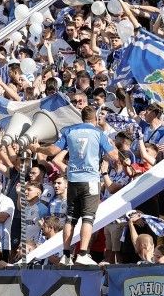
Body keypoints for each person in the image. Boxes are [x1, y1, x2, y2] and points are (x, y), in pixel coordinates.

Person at [40, 105, 119, 265]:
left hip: (73, 180)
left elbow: (53, 150)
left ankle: (66, 254)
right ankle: (82, 254)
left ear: (81, 118)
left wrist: (37, 147)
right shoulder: (99, 133)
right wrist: (112, 146)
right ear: (95, 119)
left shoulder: (70, 131)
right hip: (90, 180)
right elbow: (114, 156)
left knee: (70, 219)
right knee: (88, 219)